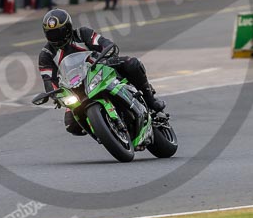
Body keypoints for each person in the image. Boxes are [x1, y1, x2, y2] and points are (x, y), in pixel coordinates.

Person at [38, 8, 165, 136]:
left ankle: (150, 99)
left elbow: (104, 44)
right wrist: (55, 95)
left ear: (68, 28)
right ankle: (104, 132)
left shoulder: (82, 34)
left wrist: (108, 52)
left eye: (58, 32)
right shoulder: (46, 54)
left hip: (99, 71)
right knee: (72, 126)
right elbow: (48, 80)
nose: (56, 37)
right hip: (75, 88)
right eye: (51, 34)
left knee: (132, 64)